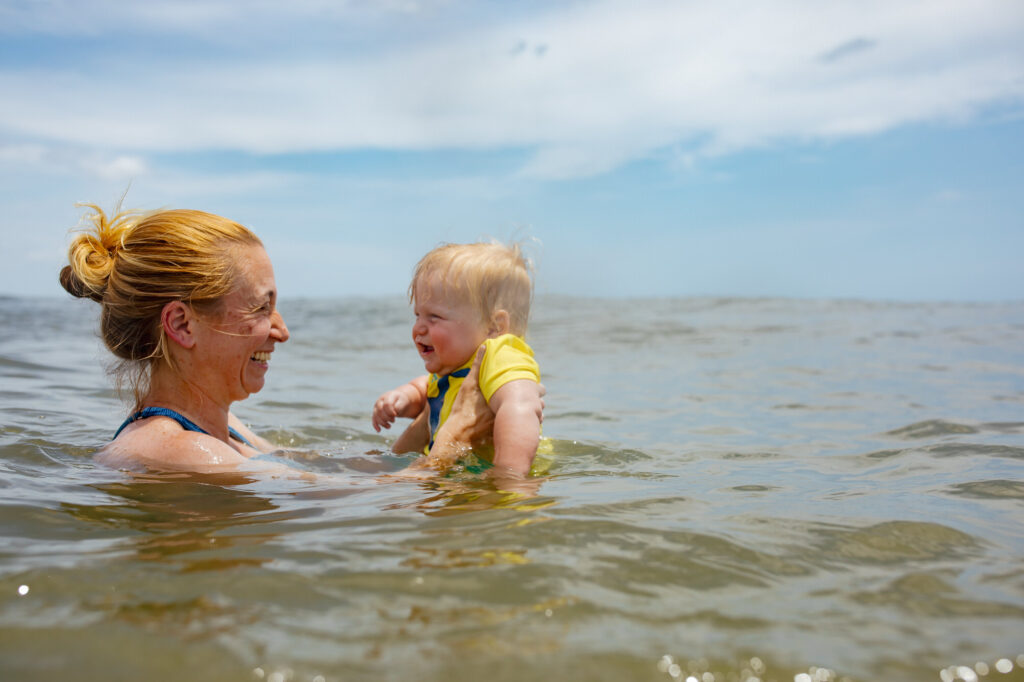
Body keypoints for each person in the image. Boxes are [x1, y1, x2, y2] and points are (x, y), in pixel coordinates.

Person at [60, 204, 494, 473]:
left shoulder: (224, 429)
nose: (282, 330)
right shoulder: (173, 448)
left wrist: (439, 412)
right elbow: (374, 504)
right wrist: (458, 433)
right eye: (261, 308)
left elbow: (362, 475)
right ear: (181, 325)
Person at [371, 242, 544, 477]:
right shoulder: (452, 370)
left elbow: (521, 407)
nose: (418, 328)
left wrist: (509, 474)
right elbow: (428, 391)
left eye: (434, 317)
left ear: (494, 327)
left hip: (489, 481)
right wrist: (403, 398)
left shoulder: (499, 354)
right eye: (417, 315)